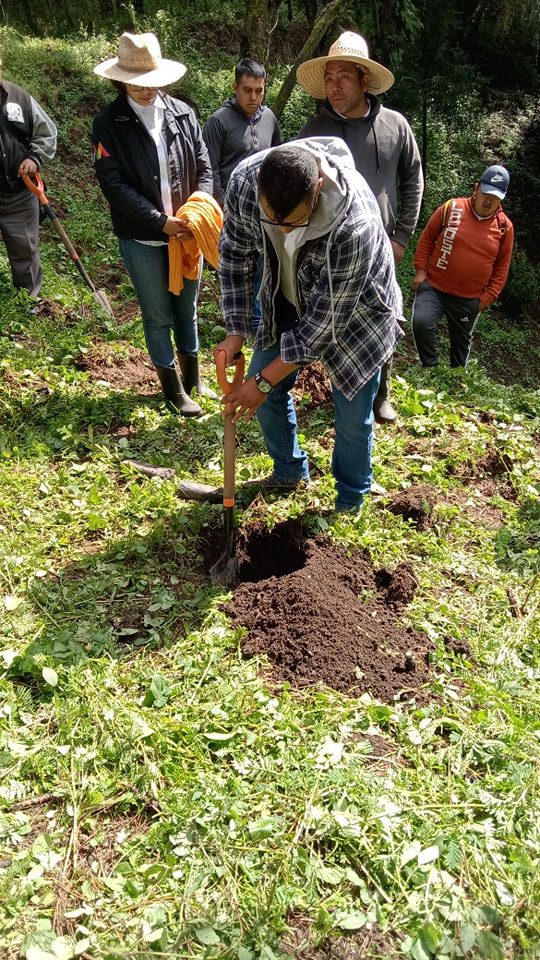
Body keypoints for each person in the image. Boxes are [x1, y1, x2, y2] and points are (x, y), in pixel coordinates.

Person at [214, 139, 404, 513]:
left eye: (294, 221)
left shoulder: (355, 223)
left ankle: (351, 499)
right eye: (273, 219)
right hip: (287, 295)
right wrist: (236, 329)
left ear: (317, 188)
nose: (283, 231)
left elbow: (323, 328)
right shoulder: (243, 183)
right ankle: (289, 471)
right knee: (265, 394)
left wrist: (264, 382)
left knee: (351, 416)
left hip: (358, 314)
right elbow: (235, 256)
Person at [296, 31, 423, 423]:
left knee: (383, 315)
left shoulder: (395, 126)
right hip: (332, 248)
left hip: (383, 244)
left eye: (343, 78)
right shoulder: (313, 131)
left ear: (364, 79)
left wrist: (402, 236)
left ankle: (381, 393)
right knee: (333, 316)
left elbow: (413, 178)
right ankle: (339, 388)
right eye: (329, 79)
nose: (334, 87)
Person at [92, 32, 214, 417]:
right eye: (136, 84)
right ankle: (173, 389)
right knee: (158, 313)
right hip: (143, 237)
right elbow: (113, 184)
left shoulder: (182, 113)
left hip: (188, 233)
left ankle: (193, 379)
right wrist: (160, 223)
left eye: (152, 83)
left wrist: (199, 210)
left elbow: (205, 166)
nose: (146, 91)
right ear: (120, 80)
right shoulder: (109, 123)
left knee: (187, 308)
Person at [203, 57, 281, 330]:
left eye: (259, 90)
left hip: (268, 212)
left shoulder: (269, 118)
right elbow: (209, 170)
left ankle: (260, 324)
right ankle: (234, 324)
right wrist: (223, 206)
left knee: (265, 269)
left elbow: (279, 160)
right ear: (235, 87)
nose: (253, 97)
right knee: (235, 268)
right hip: (231, 212)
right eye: (247, 90)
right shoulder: (218, 122)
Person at [411, 165, 514, 367]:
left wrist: (485, 300)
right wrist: (420, 271)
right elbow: (427, 238)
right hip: (434, 287)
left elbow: (502, 268)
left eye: (495, 197)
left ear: (502, 198)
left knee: (460, 348)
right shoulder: (452, 208)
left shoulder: (504, 227)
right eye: (485, 194)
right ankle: (430, 368)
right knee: (421, 323)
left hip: (468, 299)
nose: (488, 201)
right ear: (476, 188)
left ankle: (456, 381)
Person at [0, 55, 57, 305]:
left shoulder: (19, 98)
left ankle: (29, 300)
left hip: (18, 191)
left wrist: (34, 158)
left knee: (25, 249)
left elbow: (46, 133)